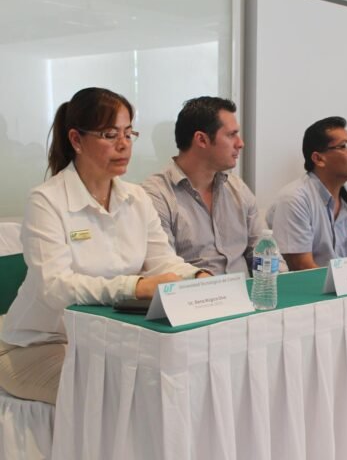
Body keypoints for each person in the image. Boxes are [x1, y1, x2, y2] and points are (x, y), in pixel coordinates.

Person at [0, 87, 207, 404]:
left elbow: (162, 261)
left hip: (103, 341)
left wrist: (197, 277)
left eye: (128, 133)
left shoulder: (136, 197)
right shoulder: (47, 200)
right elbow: (54, 287)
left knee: (176, 383)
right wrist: (136, 287)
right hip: (36, 345)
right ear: (76, 139)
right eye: (110, 135)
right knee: (118, 398)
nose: (123, 145)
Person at [142, 96, 265, 277]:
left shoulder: (237, 188)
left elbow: (263, 252)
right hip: (195, 292)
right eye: (231, 135)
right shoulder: (156, 195)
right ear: (201, 140)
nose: (240, 143)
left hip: (246, 292)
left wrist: (281, 285)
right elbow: (162, 266)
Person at [267, 116, 347, 270]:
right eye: (345, 146)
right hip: (313, 283)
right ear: (318, 159)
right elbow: (301, 266)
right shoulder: (294, 199)